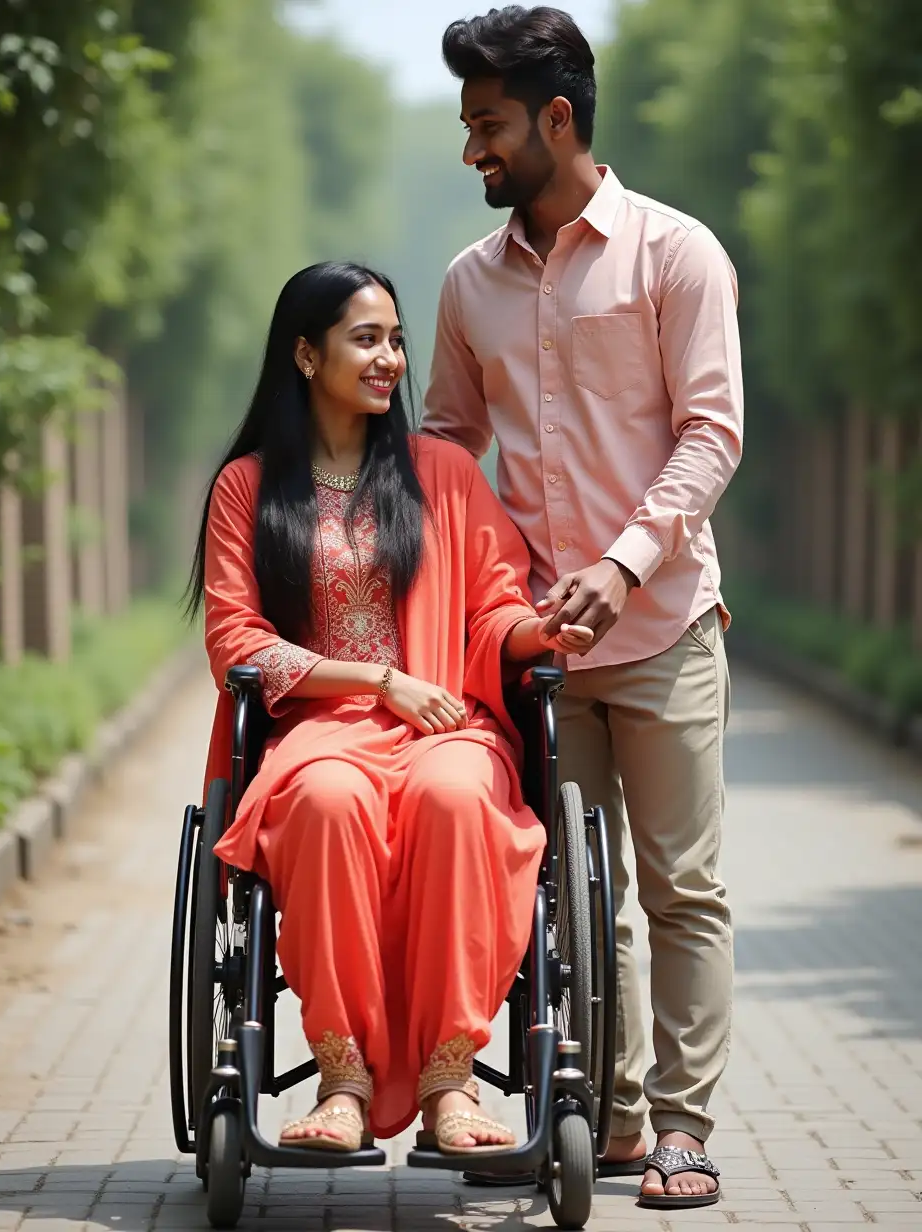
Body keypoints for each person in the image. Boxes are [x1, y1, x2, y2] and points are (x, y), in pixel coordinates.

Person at [422, 5, 742, 1209]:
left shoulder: (674, 254)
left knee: (679, 889)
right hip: (536, 651)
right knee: (568, 891)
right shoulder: (468, 283)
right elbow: (450, 444)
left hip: (661, 629)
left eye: (489, 125)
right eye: (467, 128)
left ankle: (681, 1126)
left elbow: (711, 432)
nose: (475, 152)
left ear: (557, 118)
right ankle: (605, 1120)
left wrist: (620, 564)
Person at [189, 261, 595, 1156]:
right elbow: (237, 644)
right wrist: (376, 683)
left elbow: (492, 604)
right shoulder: (247, 490)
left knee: (459, 799)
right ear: (305, 354)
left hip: (448, 728)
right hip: (320, 737)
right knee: (327, 803)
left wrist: (540, 632)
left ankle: (453, 1083)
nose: (390, 359)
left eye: (397, 340)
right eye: (366, 339)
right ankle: (341, 1078)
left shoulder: (443, 474)